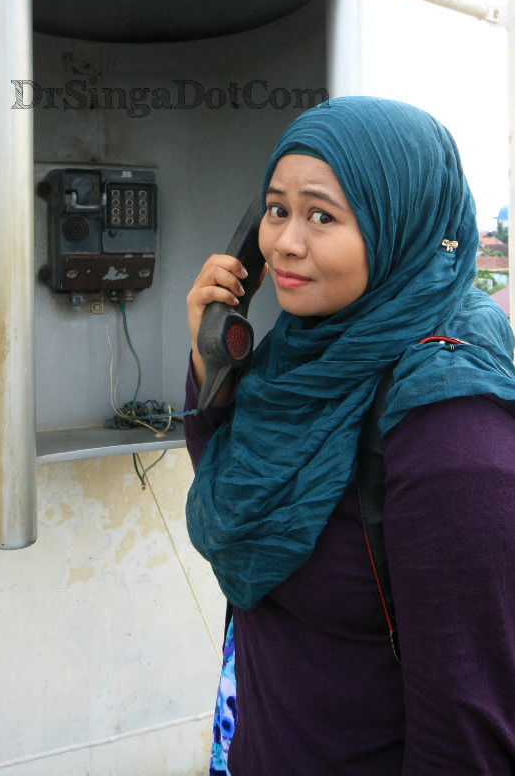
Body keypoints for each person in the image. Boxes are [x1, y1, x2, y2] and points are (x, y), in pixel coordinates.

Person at [183, 97, 515, 776]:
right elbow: (237, 492)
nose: (283, 242)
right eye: (275, 209)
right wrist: (211, 359)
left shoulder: (449, 428)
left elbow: (466, 733)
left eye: (322, 216)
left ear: (400, 225)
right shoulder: (301, 354)